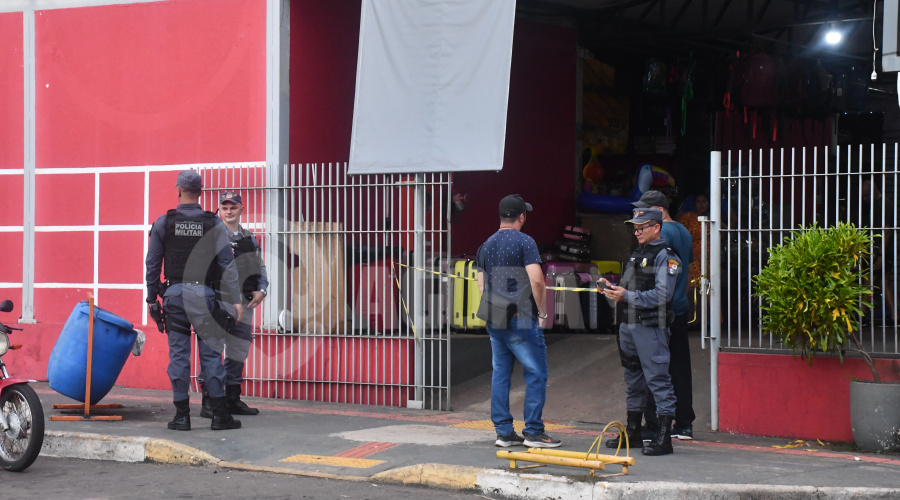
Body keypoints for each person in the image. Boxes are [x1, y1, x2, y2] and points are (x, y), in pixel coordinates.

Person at [145, 170, 245, 431]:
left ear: (178, 190)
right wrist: (234, 300)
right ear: (201, 192)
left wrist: (151, 297)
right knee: (211, 355)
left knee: (179, 355)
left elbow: (152, 265)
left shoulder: (163, 223)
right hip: (205, 296)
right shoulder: (214, 224)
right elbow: (227, 264)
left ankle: (181, 416)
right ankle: (220, 415)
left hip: (175, 297)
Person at [476, 194, 560, 449]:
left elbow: (481, 287)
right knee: (536, 372)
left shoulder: (485, 245)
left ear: (502, 216)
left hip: (495, 318)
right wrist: (542, 312)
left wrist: (496, 311)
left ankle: (504, 432)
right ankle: (533, 432)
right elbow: (537, 280)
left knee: (501, 373)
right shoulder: (526, 242)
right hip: (522, 319)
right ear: (521, 216)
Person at [598, 208, 680, 456]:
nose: (637, 232)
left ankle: (664, 437)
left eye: (642, 227)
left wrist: (627, 295)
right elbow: (627, 286)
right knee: (633, 381)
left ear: (657, 227)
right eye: (635, 228)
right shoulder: (637, 254)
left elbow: (663, 294)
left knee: (657, 379)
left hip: (651, 328)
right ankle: (633, 432)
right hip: (629, 326)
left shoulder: (667, 256)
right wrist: (610, 288)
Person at [198, 191, 269, 418]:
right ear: (219, 209)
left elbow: (260, 267)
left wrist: (262, 288)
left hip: (245, 303)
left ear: (241, 209)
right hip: (218, 302)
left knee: (238, 353)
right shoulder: (211, 237)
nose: (229, 211)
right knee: (213, 352)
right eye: (225, 207)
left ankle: (232, 399)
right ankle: (209, 401)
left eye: (233, 207)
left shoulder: (249, 238)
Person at [633, 190, 696, 441]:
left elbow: (658, 271)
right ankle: (684, 424)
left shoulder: (662, 235)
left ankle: (654, 426)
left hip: (660, 310)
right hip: (679, 307)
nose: (640, 220)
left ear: (658, 212)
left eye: (645, 213)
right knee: (680, 367)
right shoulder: (683, 231)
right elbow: (688, 272)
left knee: (654, 368)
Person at [677, 192, 710, 321]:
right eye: (698, 201)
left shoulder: (713, 217)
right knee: (695, 284)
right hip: (693, 257)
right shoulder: (688, 217)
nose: (701, 204)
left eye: (704, 201)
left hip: (708, 259)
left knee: (710, 286)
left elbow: (723, 231)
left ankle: (709, 320)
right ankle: (695, 318)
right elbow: (679, 231)